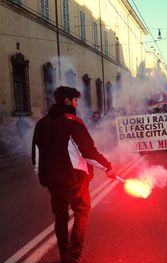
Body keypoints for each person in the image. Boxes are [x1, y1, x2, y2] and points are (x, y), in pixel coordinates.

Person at [32, 86, 117, 263]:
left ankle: (65, 255)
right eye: (75, 100)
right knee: (81, 212)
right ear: (67, 101)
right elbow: (88, 152)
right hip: (74, 180)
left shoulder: (41, 123)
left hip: (53, 182)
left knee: (61, 217)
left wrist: (42, 175)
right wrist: (108, 167)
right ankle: (74, 255)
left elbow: (36, 155)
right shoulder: (73, 122)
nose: (77, 103)